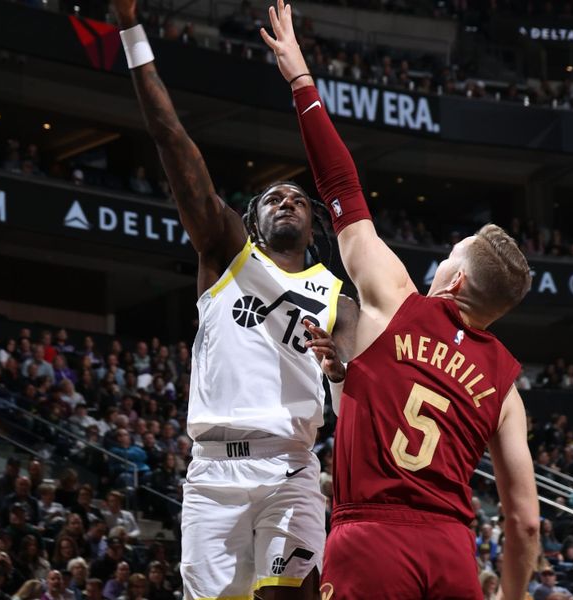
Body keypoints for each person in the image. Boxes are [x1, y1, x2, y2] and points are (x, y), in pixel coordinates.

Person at [260, 1, 540, 598]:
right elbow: (526, 522)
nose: (439, 261)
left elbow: (341, 188)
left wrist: (302, 83)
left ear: (456, 282)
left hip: (372, 542)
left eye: (451, 254)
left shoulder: (397, 300)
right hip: (452, 556)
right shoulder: (507, 389)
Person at [110, 1, 358, 598]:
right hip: (213, 471)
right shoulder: (226, 256)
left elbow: (357, 392)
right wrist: (131, 31)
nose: (287, 202)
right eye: (273, 197)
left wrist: (342, 370)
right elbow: (171, 140)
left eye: (297, 197)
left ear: (314, 224)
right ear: (252, 218)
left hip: (291, 468)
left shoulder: (337, 298)